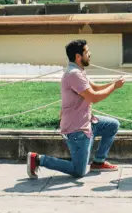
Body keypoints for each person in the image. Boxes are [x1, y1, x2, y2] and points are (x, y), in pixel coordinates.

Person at [27, 39, 125, 179]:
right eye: (87, 51)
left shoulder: (78, 71)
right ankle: (38, 159)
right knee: (78, 171)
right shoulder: (74, 74)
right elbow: (94, 97)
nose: (90, 54)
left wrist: (113, 83)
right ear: (78, 56)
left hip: (87, 122)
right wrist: (114, 87)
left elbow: (95, 87)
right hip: (77, 129)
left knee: (112, 125)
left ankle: (98, 162)